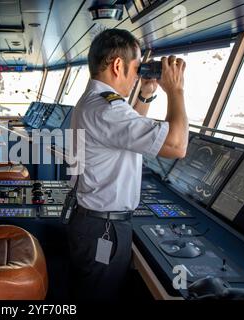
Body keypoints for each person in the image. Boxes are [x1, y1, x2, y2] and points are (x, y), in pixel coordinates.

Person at [68, 28, 189, 301]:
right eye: (136, 69)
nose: (137, 76)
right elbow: (177, 146)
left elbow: (125, 132)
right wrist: (176, 91)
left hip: (92, 222)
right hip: (104, 228)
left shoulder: (96, 102)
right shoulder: (107, 108)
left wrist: (145, 95)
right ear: (117, 65)